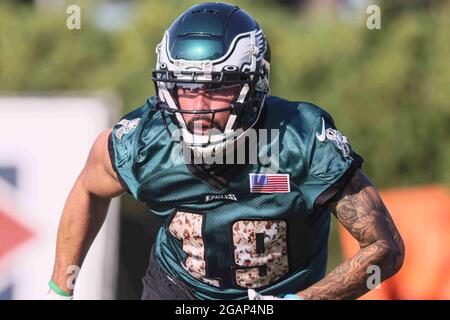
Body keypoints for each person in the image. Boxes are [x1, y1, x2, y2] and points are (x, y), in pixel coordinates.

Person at [49, 2, 404, 300]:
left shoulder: (300, 139)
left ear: (253, 85)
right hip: (179, 292)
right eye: (186, 87)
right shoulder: (144, 142)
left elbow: (385, 249)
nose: (198, 106)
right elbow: (89, 189)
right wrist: (61, 288)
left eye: (217, 88)